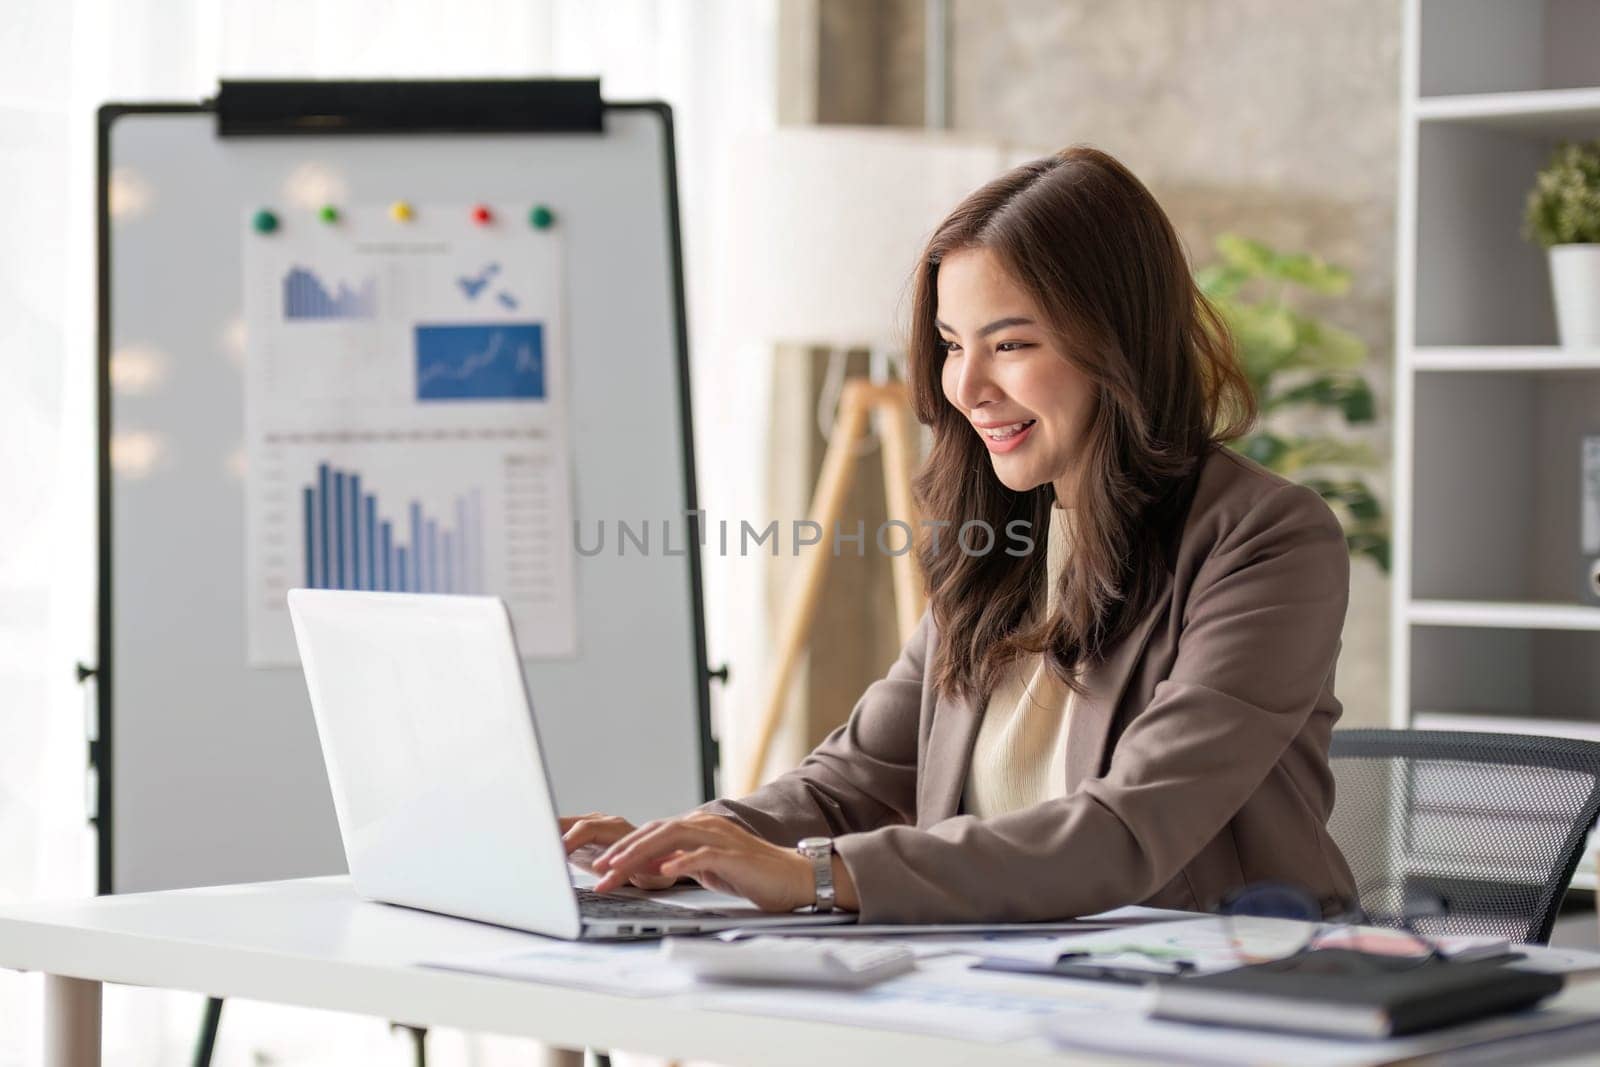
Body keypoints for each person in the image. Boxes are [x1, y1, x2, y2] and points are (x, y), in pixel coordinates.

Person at [562, 144, 1357, 924]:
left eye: (1009, 344)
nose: (967, 387)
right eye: (950, 345)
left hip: (1227, 993)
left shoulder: (1266, 541)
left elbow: (1127, 829)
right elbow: (856, 779)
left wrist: (814, 874)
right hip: (1011, 981)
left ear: (1119, 343)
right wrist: (682, 845)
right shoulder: (996, 539)